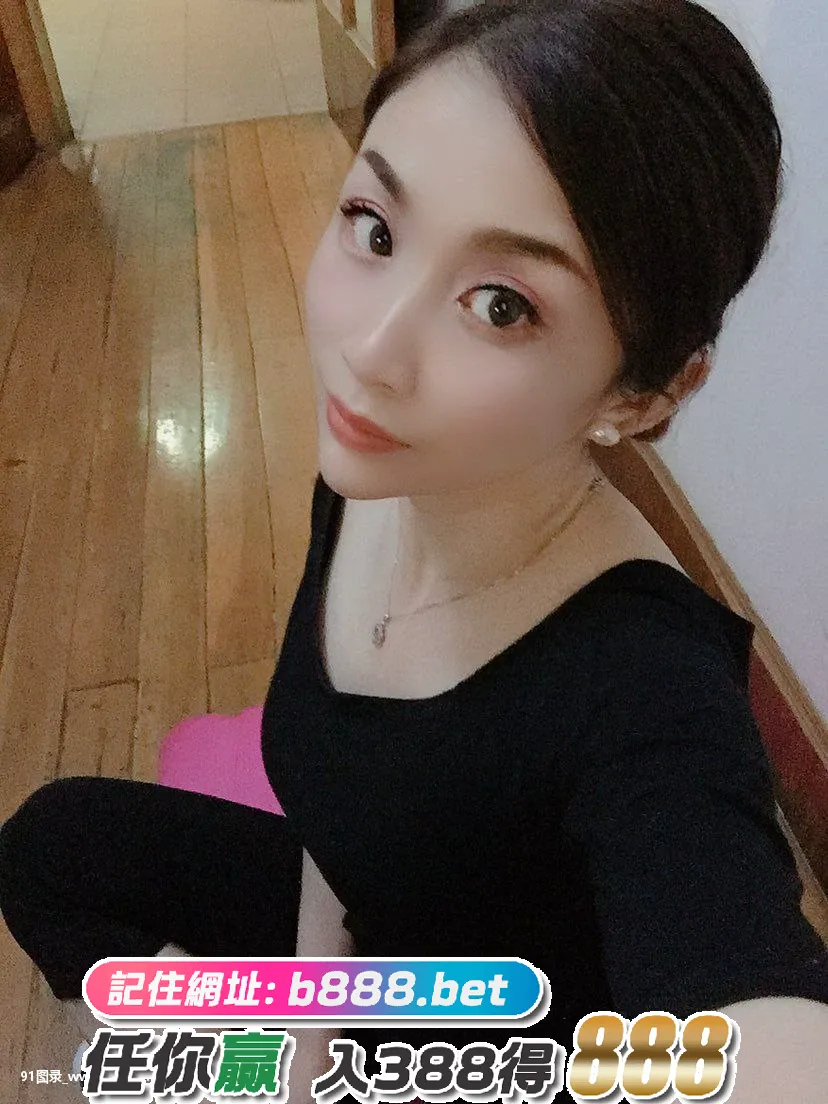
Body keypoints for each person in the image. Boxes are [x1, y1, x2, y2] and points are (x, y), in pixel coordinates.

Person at [2, 1, 828, 1100]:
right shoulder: (378, 473)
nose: (372, 350)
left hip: (509, 1048)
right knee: (51, 848)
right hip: (385, 954)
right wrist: (306, 1041)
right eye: (376, 228)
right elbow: (335, 816)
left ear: (642, 395)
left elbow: (746, 1008)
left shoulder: (647, 696)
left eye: (502, 305)